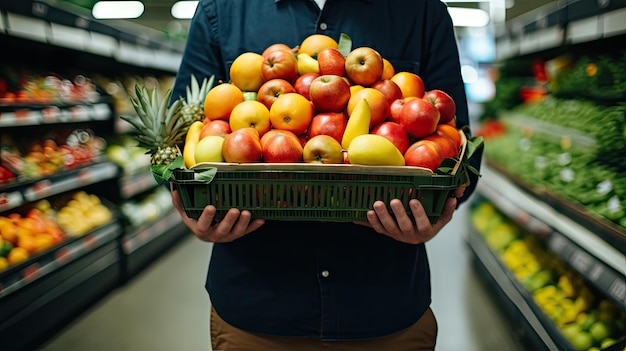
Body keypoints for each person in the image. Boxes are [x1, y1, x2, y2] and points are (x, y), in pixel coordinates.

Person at [169, 0, 481, 350]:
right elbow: (178, 134)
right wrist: (190, 204)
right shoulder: (222, 9)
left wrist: (441, 206)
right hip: (257, 312)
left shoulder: (421, 11)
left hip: (384, 310)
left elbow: (460, 145)